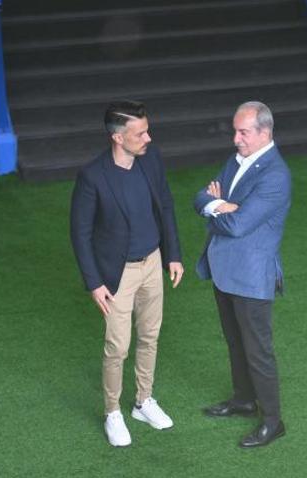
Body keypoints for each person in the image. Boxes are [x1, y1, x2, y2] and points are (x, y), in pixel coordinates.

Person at [70, 100, 184, 447]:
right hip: (117, 274)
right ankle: (113, 412)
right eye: (140, 133)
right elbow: (80, 233)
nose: (148, 137)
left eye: (147, 130)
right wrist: (94, 283)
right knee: (117, 347)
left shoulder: (151, 160)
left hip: (152, 264)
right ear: (118, 138)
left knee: (150, 336)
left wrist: (172, 255)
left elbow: (165, 203)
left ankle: (142, 401)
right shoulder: (93, 176)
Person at [194, 101, 292, 448]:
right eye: (236, 131)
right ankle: (243, 400)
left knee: (257, 350)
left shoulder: (275, 175)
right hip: (224, 271)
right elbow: (200, 196)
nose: (235, 138)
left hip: (251, 277)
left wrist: (218, 208)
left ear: (265, 133)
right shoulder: (236, 161)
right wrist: (219, 204)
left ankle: (272, 421)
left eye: (243, 132)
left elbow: (237, 226)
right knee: (235, 341)